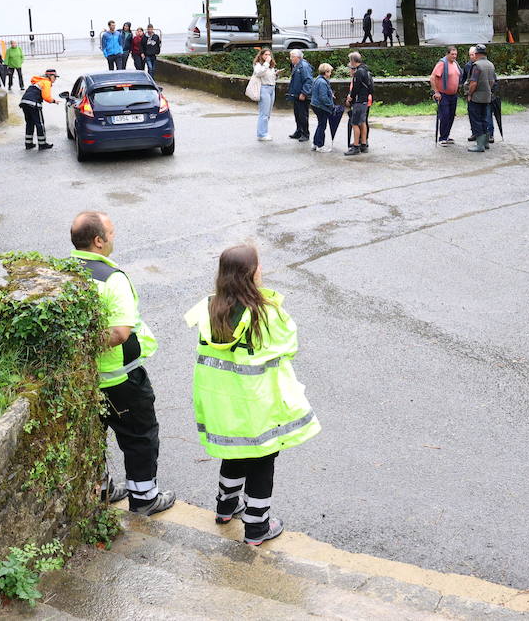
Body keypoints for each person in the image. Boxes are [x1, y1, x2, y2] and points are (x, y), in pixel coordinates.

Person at [182, 243, 319, 545]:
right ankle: (257, 527)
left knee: (235, 450)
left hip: (221, 401)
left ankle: (225, 506)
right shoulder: (265, 314)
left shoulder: (208, 308)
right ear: (252, 273)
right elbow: (289, 345)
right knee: (261, 459)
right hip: (257, 404)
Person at [71, 211, 174, 515]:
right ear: (99, 241)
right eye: (111, 233)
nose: (114, 237)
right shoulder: (112, 279)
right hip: (121, 380)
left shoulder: (66, 271)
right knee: (140, 437)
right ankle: (144, 499)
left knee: (92, 436)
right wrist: (86, 339)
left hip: (84, 378)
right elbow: (119, 333)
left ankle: (102, 489)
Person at [20, 68, 59, 150]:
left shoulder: (38, 81)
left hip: (24, 102)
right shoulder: (46, 82)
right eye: (55, 77)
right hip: (34, 104)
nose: (55, 79)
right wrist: (54, 101)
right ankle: (42, 144)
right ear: (50, 76)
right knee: (40, 124)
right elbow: (46, 97)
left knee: (30, 123)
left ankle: (28, 144)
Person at [430, 46, 462, 146]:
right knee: (445, 116)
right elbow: (432, 78)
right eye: (452, 54)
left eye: (455, 54)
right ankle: (442, 138)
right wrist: (436, 92)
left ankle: (446, 136)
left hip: (453, 95)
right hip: (443, 95)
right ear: (447, 54)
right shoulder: (442, 63)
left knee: (451, 116)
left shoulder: (455, 63)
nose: (454, 56)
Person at [344, 51, 374, 156]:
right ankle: (364, 144)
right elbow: (371, 88)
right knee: (362, 123)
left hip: (359, 101)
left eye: (350, 61)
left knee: (355, 123)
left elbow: (355, 89)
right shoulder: (366, 70)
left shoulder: (358, 73)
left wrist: (350, 98)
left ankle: (356, 146)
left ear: (353, 61)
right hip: (365, 101)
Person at [286, 49, 314, 142]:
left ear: (297, 57)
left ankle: (305, 134)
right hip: (296, 95)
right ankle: (299, 131)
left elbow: (308, 81)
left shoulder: (304, 66)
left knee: (303, 115)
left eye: (292, 56)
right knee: (297, 114)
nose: (291, 58)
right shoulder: (296, 65)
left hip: (302, 95)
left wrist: (304, 93)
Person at [309, 63, 336, 152]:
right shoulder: (322, 82)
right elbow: (323, 97)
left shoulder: (318, 79)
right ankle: (320, 145)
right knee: (322, 125)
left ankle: (315, 143)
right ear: (326, 72)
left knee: (320, 124)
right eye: (329, 72)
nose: (330, 73)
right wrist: (330, 105)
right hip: (321, 107)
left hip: (316, 105)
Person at [251, 48, 277, 142]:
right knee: (264, 113)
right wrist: (266, 63)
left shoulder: (270, 66)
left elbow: (269, 76)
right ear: (261, 55)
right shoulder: (258, 64)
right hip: (264, 89)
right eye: (265, 54)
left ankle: (264, 132)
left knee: (268, 113)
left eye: (269, 54)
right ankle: (261, 134)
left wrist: (275, 74)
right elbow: (258, 73)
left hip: (271, 88)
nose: (267, 56)